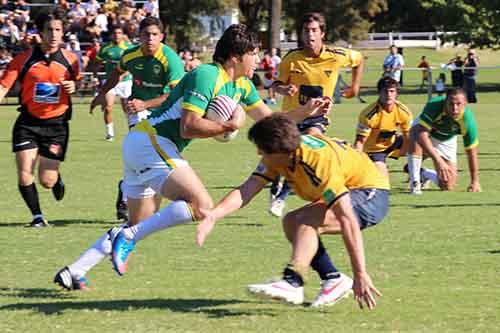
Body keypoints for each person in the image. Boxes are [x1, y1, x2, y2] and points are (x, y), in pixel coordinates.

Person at [54, 23, 320, 290]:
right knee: (200, 206)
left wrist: (306, 112)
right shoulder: (207, 74)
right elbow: (189, 126)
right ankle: (128, 238)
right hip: (151, 141)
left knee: (139, 224)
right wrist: (227, 127)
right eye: (253, 53)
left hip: (144, 146)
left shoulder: (242, 85)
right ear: (236, 56)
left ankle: (75, 271)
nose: (258, 60)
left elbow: (271, 119)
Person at [196, 113, 388, 309]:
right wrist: (214, 214)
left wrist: (360, 273)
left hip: (371, 193)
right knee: (291, 221)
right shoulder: (279, 156)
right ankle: (333, 278)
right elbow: (248, 189)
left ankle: (293, 281)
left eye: (262, 151)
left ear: (280, 152)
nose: (259, 154)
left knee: (305, 220)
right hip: (350, 189)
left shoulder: (318, 163)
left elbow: (347, 219)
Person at [269, 12, 364, 218]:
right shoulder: (292, 59)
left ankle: (285, 196)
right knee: (285, 157)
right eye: (306, 31)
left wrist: (355, 87)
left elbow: (359, 60)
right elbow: (276, 85)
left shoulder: (337, 55)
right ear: (301, 34)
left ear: (322, 33)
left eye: (314, 30)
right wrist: (284, 89)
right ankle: (278, 187)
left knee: (310, 149)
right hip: (292, 117)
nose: (310, 35)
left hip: (317, 118)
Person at [92, 17, 185, 221]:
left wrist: (146, 104)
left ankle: (127, 188)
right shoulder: (131, 55)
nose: (150, 39)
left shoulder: (171, 60)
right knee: (142, 151)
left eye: (154, 35)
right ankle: (128, 197)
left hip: (165, 113)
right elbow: (117, 74)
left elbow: (174, 95)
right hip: (138, 110)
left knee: (153, 158)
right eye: (146, 34)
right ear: (139, 36)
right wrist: (102, 93)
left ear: (161, 37)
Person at [0, 12, 81, 227]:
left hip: (56, 126)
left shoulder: (71, 59)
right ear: (41, 32)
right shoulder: (23, 59)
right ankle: (37, 216)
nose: (54, 34)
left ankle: (56, 177)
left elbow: (77, 83)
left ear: (63, 32)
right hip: (28, 123)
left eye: (58, 30)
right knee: (25, 171)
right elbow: (4, 86)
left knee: (47, 181)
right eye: (49, 30)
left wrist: (75, 87)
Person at [407, 88, 481, 195]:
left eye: (458, 104)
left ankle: (423, 173)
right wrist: (438, 160)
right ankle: (415, 184)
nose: (454, 108)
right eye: (451, 104)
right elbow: (421, 133)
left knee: (448, 185)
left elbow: (471, 151)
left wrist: (475, 181)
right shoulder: (434, 105)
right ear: (445, 102)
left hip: (446, 138)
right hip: (426, 133)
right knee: (415, 134)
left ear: (465, 104)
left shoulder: (468, 121)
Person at [354, 77, 412, 179]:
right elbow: (360, 142)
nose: (388, 95)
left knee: (422, 143)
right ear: (379, 93)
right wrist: (357, 161)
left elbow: (408, 136)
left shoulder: (404, 111)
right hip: (374, 150)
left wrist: (404, 151)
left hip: (392, 143)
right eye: (385, 91)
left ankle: (418, 174)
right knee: (383, 180)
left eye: (392, 91)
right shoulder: (368, 115)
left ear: (396, 93)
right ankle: (376, 166)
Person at [91, 25, 134, 142]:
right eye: (115, 33)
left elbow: (133, 65)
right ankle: (110, 134)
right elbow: (96, 63)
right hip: (110, 81)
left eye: (119, 33)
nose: (117, 35)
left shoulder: (129, 48)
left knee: (128, 108)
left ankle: (132, 131)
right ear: (111, 35)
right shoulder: (105, 49)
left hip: (126, 82)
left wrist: (123, 75)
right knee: (108, 108)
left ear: (123, 35)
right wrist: (95, 77)